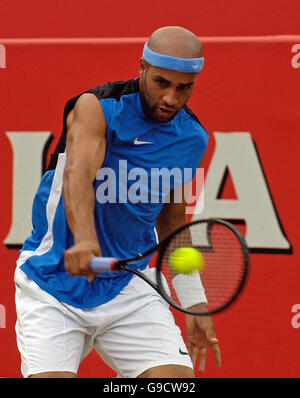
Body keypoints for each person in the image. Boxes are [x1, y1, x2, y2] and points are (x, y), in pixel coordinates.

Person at [14, 26, 221, 378]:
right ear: (141, 67)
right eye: (161, 83)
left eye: (184, 87)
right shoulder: (97, 107)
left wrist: (193, 302)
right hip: (53, 283)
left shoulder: (191, 138)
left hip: (131, 287)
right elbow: (77, 174)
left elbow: (172, 222)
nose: (171, 98)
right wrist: (84, 241)